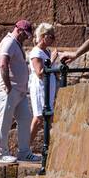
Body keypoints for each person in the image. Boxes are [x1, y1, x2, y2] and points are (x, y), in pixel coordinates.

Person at [0, 20, 34, 164]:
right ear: (20, 30)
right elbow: (3, 64)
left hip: (19, 91)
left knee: (25, 119)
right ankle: (1, 153)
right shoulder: (9, 43)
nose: (27, 38)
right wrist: (7, 85)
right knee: (5, 120)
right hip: (10, 90)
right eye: (26, 35)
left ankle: (24, 152)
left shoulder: (16, 44)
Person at [28, 23, 60, 154]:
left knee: (49, 117)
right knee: (39, 117)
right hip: (40, 88)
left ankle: (53, 148)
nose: (53, 39)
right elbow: (40, 73)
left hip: (48, 88)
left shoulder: (45, 51)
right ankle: (24, 148)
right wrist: (52, 59)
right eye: (50, 36)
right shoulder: (36, 52)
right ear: (43, 36)